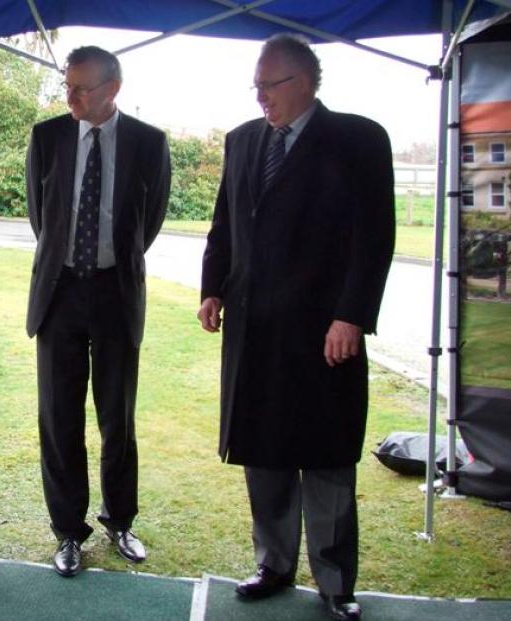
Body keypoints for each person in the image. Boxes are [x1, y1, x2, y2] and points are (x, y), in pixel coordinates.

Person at [197, 34, 395, 621]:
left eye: (270, 84)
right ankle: (273, 564)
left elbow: (374, 238)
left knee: (328, 456)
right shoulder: (243, 141)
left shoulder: (359, 139)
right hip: (254, 331)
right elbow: (223, 226)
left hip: (325, 332)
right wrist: (212, 287)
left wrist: (352, 315)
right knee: (265, 451)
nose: (260, 96)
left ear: (306, 81)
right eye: (255, 85)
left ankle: (335, 583)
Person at [25, 46, 171, 577]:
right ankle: (67, 531)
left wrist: (111, 261)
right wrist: (72, 261)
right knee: (59, 418)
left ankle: (120, 520)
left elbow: (147, 222)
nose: (71, 96)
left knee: (118, 419)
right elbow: (42, 218)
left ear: (113, 89)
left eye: (82, 87)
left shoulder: (149, 143)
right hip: (59, 293)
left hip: (116, 294)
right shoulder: (47, 137)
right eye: (67, 85)